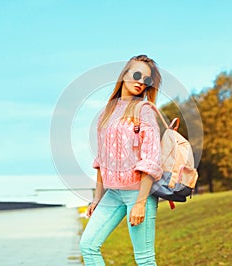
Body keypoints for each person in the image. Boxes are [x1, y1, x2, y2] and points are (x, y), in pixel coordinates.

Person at [80, 54, 162, 265]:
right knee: (88, 246)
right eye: (136, 74)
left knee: (144, 259)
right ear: (124, 74)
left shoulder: (145, 111)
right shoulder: (106, 113)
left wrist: (141, 203)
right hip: (113, 194)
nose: (140, 81)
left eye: (147, 79)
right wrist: (97, 199)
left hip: (138, 193)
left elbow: (151, 159)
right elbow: (101, 160)